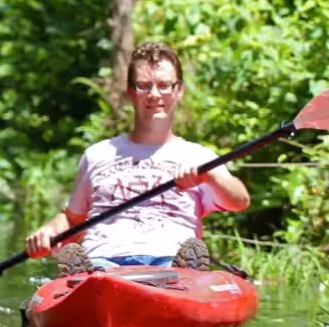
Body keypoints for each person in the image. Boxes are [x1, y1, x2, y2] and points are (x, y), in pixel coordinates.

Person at [26, 41, 250, 275]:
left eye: (164, 85)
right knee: (96, 270)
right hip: (104, 261)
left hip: (169, 259)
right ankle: (82, 275)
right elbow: (72, 220)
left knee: (176, 268)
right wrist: (49, 231)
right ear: (131, 91)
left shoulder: (198, 156)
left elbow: (240, 200)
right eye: (144, 85)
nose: (154, 94)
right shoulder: (98, 154)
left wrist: (210, 175)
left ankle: (186, 274)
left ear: (179, 90)